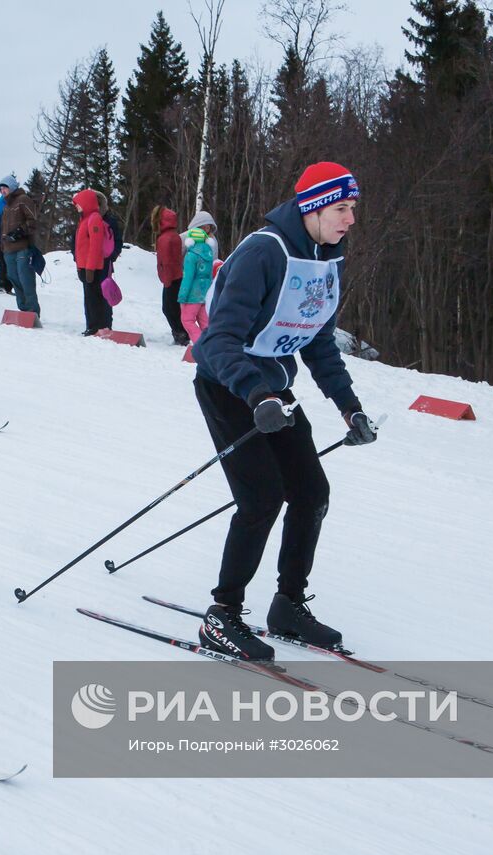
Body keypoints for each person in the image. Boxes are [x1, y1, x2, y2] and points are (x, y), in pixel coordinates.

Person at [191, 161, 378, 660]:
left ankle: (287, 606)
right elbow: (219, 339)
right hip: (229, 386)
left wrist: (349, 407)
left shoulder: (328, 261)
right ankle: (222, 615)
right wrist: (257, 394)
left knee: (312, 492)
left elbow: (317, 342)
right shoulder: (262, 253)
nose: (350, 219)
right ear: (313, 207)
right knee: (261, 499)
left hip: (273, 389)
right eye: (342, 208)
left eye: (353, 208)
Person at [0, 176, 41, 315]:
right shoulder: (6, 206)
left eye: (5, 187)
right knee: (13, 277)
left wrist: (20, 232)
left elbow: (33, 220)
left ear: (12, 187)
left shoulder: (23, 200)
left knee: (25, 278)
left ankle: (33, 311)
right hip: (8, 249)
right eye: (1, 189)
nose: (2, 191)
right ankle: (23, 309)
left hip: (23, 247)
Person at [72, 189, 111, 335]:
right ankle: (91, 325)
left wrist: (90, 268)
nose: (77, 206)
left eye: (79, 203)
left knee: (94, 298)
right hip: (84, 266)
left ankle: (97, 326)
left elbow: (95, 246)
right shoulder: (84, 219)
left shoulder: (94, 218)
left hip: (92, 267)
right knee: (89, 298)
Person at [154, 206, 188, 344]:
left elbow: (167, 261)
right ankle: (180, 333)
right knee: (171, 308)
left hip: (171, 278)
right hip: (175, 276)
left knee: (169, 308)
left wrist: (166, 279)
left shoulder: (165, 238)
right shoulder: (172, 235)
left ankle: (180, 333)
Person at [178, 227, 213, 343]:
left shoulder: (190, 256)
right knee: (205, 323)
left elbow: (188, 278)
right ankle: (211, 345)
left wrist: (182, 296)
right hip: (205, 293)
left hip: (192, 295)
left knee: (187, 320)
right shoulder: (209, 254)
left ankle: (200, 346)